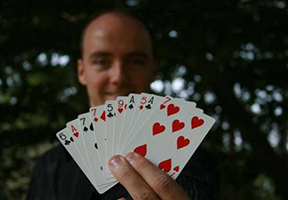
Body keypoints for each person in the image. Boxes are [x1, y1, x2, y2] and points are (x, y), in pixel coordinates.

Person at [27, 8, 218, 200]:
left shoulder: (190, 161)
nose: (118, 77)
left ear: (153, 71)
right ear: (81, 72)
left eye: (135, 62)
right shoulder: (49, 166)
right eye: (102, 61)